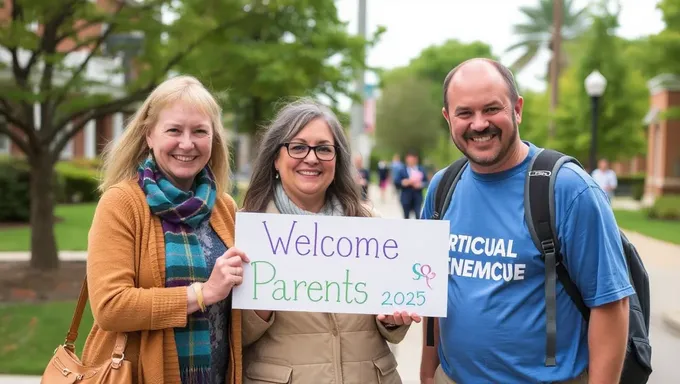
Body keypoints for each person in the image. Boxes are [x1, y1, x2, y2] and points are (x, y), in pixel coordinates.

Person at [419, 59, 633, 384]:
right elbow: (430, 295)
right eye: (465, 113)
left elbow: (612, 305)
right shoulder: (442, 189)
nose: (479, 124)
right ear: (448, 117)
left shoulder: (567, 189)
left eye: (492, 109)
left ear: (517, 109)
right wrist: (427, 375)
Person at [240, 98, 420, 384]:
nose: (311, 158)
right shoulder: (247, 231)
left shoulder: (372, 227)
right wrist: (260, 305)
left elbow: (391, 319)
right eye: (298, 147)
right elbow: (231, 337)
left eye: (324, 149)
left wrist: (392, 320)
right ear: (276, 157)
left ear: (338, 159)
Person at [82, 76, 247, 384]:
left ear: (214, 139)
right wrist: (203, 293)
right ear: (149, 135)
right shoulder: (122, 203)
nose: (187, 143)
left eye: (200, 131)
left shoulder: (225, 208)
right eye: (174, 130)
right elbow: (110, 307)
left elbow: (238, 305)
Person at [395, 150, 428, 219]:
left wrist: (421, 185)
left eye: (412, 159)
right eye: (409, 159)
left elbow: (426, 182)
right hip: (406, 197)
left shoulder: (421, 169)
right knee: (406, 217)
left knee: (417, 216)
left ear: (416, 159)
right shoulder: (402, 170)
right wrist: (403, 182)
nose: (411, 161)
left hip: (417, 197)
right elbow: (396, 182)